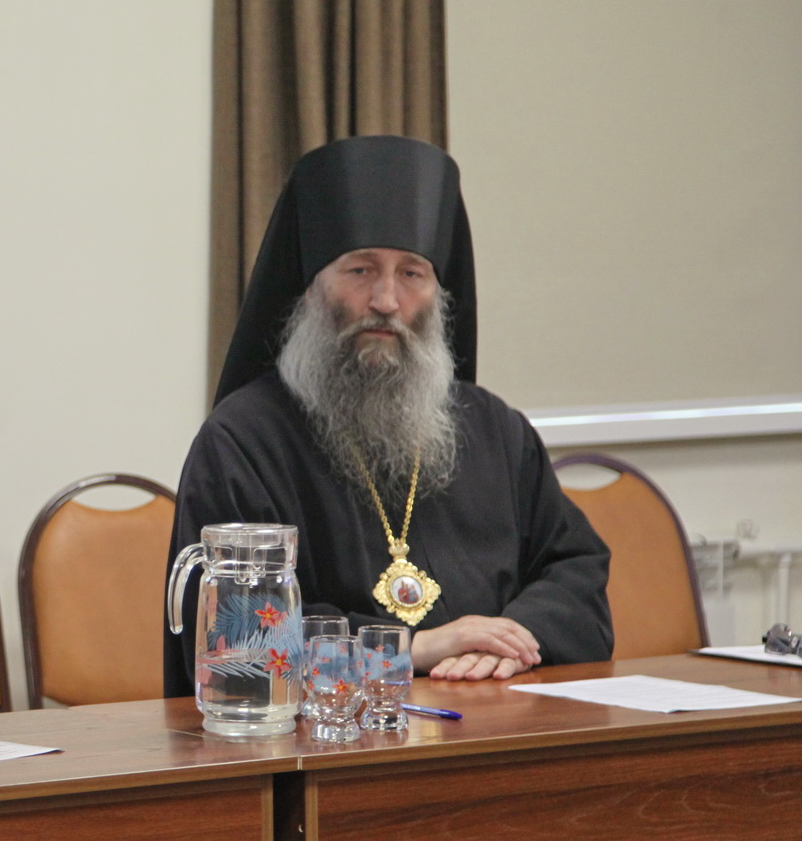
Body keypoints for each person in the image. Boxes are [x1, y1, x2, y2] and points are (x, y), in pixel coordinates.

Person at [165, 136, 612, 695]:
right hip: (331, 742)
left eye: (411, 274)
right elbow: (238, 641)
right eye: (360, 270)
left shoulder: (497, 432)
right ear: (310, 287)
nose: (386, 300)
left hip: (501, 725)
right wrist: (410, 650)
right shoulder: (242, 442)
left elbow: (576, 572)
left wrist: (509, 639)